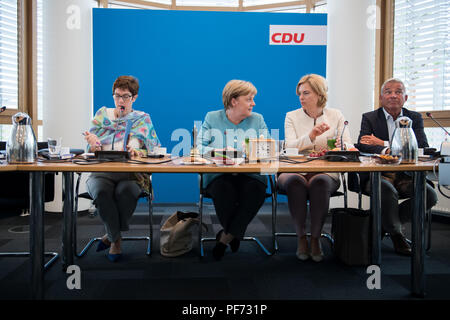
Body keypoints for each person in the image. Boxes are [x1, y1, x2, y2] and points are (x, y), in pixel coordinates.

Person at [355, 77, 437, 256]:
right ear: (381, 97)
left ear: (405, 98)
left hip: (406, 175)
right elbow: (363, 144)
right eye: (388, 92)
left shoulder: (413, 118)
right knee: (386, 190)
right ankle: (397, 234)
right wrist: (395, 146)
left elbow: (421, 146)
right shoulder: (369, 117)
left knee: (429, 195)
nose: (393, 95)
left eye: (398, 92)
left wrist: (383, 143)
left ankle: (382, 225)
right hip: (378, 174)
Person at [84, 75, 160, 262]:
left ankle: (110, 236)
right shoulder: (102, 114)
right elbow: (90, 148)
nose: (120, 100)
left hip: (131, 175)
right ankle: (116, 240)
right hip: (102, 172)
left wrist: (137, 151)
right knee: (101, 192)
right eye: (117, 95)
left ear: (134, 98)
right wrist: (92, 145)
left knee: (125, 191)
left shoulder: (142, 119)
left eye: (125, 96)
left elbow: (154, 149)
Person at [277, 74, 353, 262]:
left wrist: (341, 147)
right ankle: (301, 237)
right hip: (294, 169)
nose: (301, 97)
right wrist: (310, 136)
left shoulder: (336, 115)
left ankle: (315, 238)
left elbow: (347, 144)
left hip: (326, 171)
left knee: (320, 181)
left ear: (319, 94)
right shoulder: (291, 116)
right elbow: (289, 148)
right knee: (295, 182)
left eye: (306, 93)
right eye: (299, 94)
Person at [197, 79, 269, 261]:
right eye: (249, 99)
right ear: (234, 101)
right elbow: (199, 147)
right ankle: (235, 234)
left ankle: (225, 237)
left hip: (250, 174)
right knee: (224, 191)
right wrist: (216, 152)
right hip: (219, 174)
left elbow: (267, 148)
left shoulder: (257, 120)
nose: (253, 103)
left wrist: (255, 150)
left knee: (256, 190)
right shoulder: (212, 118)